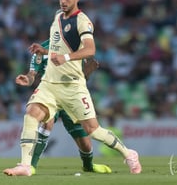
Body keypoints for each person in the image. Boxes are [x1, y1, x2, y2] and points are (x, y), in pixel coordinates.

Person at [3, 0, 141, 176]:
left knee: (93, 130)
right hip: (49, 84)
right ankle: (25, 165)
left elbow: (90, 49)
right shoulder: (58, 16)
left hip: (72, 86)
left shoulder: (83, 21)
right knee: (31, 113)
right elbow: (59, 46)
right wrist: (43, 54)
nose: (63, 1)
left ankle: (129, 154)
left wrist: (66, 58)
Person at [15, 39, 111, 174]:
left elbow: (79, 79)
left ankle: (88, 166)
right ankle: (31, 166)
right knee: (46, 124)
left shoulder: (78, 50)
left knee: (85, 143)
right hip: (49, 96)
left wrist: (87, 72)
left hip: (70, 99)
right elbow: (32, 75)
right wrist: (27, 79)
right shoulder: (41, 49)